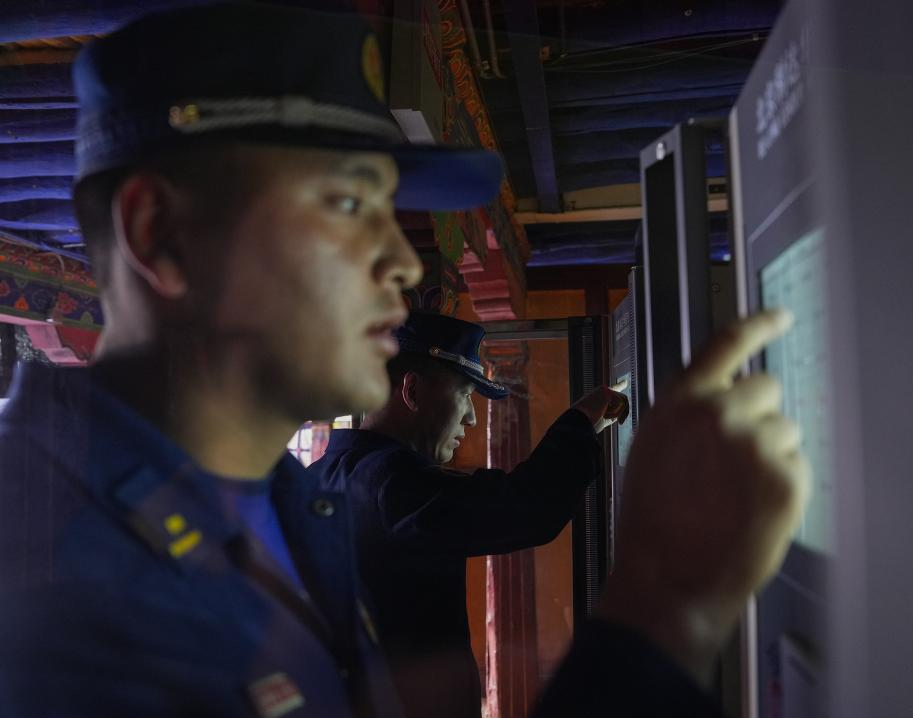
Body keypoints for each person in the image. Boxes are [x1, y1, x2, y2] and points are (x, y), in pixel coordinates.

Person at [0, 2, 810, 717]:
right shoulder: (49, 571)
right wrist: (665, 608)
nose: (400, 261)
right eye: (349, 203)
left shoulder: (274, 500)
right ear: (162, 236)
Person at [309, 311, 628, 718]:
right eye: (464, 395)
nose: (472, 417)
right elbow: (528, 508)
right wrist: (581, 421)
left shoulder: (322, 476)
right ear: (413, 391)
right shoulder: (391, 485)